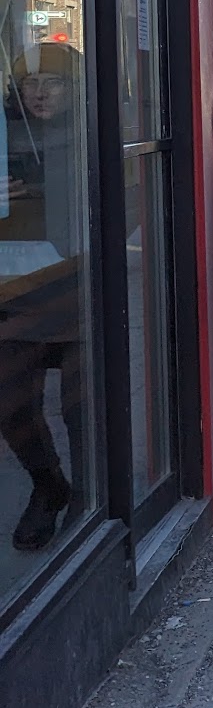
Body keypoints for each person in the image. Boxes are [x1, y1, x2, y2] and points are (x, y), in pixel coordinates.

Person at [0, 43, 87, 552]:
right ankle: (48, 485)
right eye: (30, 84)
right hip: (14, 288)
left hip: (80, 285)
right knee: (11, 404)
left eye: (52, 83)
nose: (40, 93)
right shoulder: (4, 136)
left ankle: (90, 496)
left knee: (83, 407)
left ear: (74, 90)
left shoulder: (96, 135)